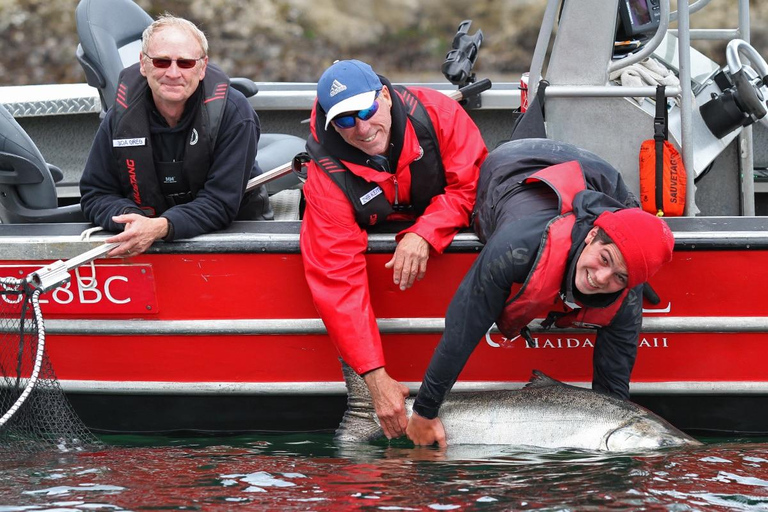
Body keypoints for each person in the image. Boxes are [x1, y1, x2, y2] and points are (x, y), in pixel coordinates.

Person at [406, 138, 675, 447]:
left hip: (600, 174)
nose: (601, 278)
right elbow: (462, 329)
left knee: (637, 237)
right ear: (591, 236)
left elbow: (612, 394)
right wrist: (424, 412)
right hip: (510, 167)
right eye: (604, 259)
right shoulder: (515, 247)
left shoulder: (626, 295)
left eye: (620, 276)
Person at [300, 59, 488, 440]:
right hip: (367, 226)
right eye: (346, 121)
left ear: (384, 96)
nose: (363, 129)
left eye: (367, 111)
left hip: (427, 222)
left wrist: (426, 233)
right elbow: (336, 278)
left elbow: (471, 186)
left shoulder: (439, 114)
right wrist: (375, 377)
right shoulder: (325, 175)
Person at [80, 15, 271, 258]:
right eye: (161, 61)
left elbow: (220, 204)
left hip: (232, 238)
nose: (172, 72)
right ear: (143, 63)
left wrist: (158, 227)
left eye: (185, 63)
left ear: (202, 67)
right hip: (143, 242)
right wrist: (132, 221)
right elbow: (95, 193)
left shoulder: (233, 113)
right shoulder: (120, 115)